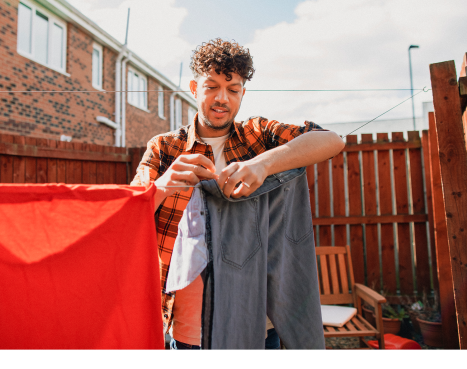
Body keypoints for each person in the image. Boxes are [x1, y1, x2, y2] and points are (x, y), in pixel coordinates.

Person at [131, 38, 344, 349]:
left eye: (233, 89)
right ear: (193, 87)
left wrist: (262, 164)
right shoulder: (164, 148)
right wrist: (165, 184)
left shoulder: (258, 137)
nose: (222, 98)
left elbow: (331, 141)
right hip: (188, 332)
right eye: (211, 86)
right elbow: (129, 214)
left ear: (243, 93)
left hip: (256, 325)